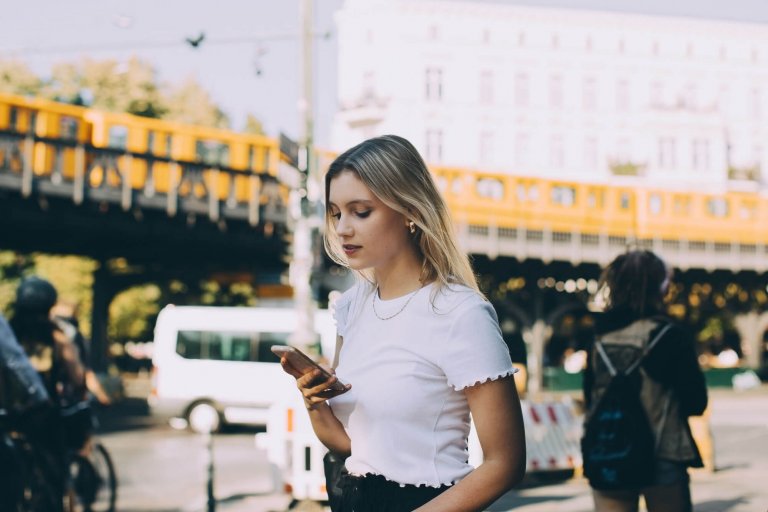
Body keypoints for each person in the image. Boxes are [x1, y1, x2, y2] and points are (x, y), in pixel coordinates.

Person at [278, 135, 526, 511]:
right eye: (335, 213)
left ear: (409, 211)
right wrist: (314, 402)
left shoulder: (461, 314)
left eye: (360, 212)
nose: (343, 228)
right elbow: (350, 446)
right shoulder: (351, 307)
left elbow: (505, 464)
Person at [582, 250, 708, 512]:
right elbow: (696, 402)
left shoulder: (597, 339)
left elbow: (590, 397)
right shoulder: (670, 336)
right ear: (661, 289)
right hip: (663, 454)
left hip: (609, 454)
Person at [9, 276, 87, 512]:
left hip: (8, 414)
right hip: (41, 415)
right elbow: (77, 376)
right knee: (54, 475)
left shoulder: (9, 333)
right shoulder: (56, 336)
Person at [51, 300, 112, 406]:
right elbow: (83, 374)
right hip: (68, 403)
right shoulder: (71, 338)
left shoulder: (29, 335)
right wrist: (102, 397)